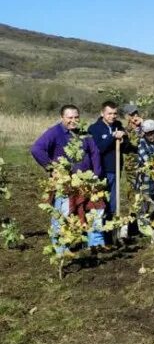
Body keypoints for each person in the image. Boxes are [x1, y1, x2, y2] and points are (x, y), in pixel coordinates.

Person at [31, 105, 105, 254]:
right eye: (69, 117)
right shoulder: (54, 133)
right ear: (62, 118)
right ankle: (61, 249)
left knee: (96, 210)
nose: (73, 120)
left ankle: (95, 243)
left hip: (87, 181)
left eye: (76, 117)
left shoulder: (84, 133)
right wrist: (52, 169)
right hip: (65, 183)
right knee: (62, 214)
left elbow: (94, 153)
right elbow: (36, 149)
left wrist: (96, 175)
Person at [87, 101, 134, 224]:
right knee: (100, 200)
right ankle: (98, 227)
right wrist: (112, 137)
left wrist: (124, 140)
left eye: (115, 113)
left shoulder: (118, 125)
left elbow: (126, 149)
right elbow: (98, 149)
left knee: (113, 202)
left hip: (116, 169)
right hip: (101, 170)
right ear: (102, 113)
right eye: (109, 113)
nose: (112, 116)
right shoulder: (94, 128)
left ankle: (110, 227)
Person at [134, 120, 154, 230]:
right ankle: (143, 227)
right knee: (144, 204)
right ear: (144, 133)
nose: (152, 135)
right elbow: (148, 160)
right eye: (149, 133)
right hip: (145, 180)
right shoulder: (141, 143)